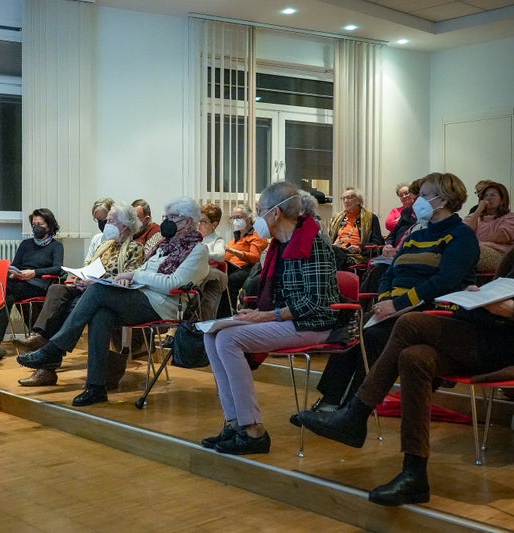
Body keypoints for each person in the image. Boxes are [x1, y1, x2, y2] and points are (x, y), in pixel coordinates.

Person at [297, 267, 514, 506]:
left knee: (409, 322)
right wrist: (476, 296)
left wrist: (510, 310)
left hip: (502, 351)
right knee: (414, 358)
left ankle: (356, 415)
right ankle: (414, 474)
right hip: (482, 338)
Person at [307, 172, 480, 415]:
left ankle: (352, 408)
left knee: (373, 337)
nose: (417, 200)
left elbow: (444, 282)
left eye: (424, 195)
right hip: (395, 307)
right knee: (350, 331)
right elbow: (390, 272)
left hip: (429, 311)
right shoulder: (416, 235)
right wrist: (384, 300)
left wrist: (397, 304)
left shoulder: (461, 236)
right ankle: (330, 400)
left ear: (443, 200)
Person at [16, 196, 210, 407]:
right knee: (101, 315)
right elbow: (145, 274)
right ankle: (96, 387)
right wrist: (127, 279)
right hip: (140, 296)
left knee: (97, 290)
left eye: (172, 217)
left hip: (162, 305)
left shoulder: (198, 250)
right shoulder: (164, 246)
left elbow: (173, 283)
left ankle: (53, 349)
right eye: (166, 217)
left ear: (188, 222)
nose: (167, 222)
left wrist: (134, 275)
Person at [202, 182, 339, 455]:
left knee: (228, 339)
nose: (257, 217)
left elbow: (314, 302)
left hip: (313, 323)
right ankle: (235, 423)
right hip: (285, 319)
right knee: (212, 333)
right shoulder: (278, 245)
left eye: (260, 210)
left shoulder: (313, 243)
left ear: (276, 213)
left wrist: (265, 316)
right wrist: (257, 314)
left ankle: (253, 430)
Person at [14, 203, 144, 387]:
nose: (105, 224)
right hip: (88, 289)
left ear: (123, 226)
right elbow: (89, 267)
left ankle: (47, 362)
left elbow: (128, 278)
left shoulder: (135, 248)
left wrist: (97, 281)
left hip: (106, 294)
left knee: (70, 307)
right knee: (57, 289)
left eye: (109, 221)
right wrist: (81, 279)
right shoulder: (105, 246)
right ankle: (42, 337)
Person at [0, 208, 64, 361]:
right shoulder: (26, 244)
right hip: (19, 283)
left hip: (39, 284)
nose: (36, 227)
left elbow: (57, 268)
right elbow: (15, 265)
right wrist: (14, 273)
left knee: (5, 290)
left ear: (49, 226)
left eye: (40, 224)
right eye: (34, 224)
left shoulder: (56, 246)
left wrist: (34, 272)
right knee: (8, 297)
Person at [224, 204, 269, 311]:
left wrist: (233, 251)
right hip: (233, 267)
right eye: (233, 217)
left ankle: (230, 311)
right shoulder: (236, 236)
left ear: (248, 218)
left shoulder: (257, 235)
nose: (236, 220)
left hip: (250, 268)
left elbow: (255, 258)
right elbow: (227, 256)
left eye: (239, 217)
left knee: (231, 280)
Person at [328, 187, 384, 270]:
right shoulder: (336, 218)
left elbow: (377, 243)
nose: (346, 201)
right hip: (336, 252)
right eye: (344, 198)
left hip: (355, 257)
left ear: (359, 200)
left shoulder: (371, 218)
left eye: (350, 197)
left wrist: (359, 248)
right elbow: (329, 239)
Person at [463, 181, 514, 273]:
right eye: (485, 195)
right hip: (474, 248)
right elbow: (464, 234)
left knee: (468, 250)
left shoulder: (510, 217)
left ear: (502, 200)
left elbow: (500, 237)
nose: (488, 198)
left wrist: (473, 241)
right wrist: (478, 211)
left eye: (493, 195)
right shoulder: (473, 217)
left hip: (499, 253)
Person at [197, 203, 229, 320]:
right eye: (198, 221)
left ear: (214, 224)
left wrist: (201, 254)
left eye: (203, 222)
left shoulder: (217, 240)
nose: (199, 225)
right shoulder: (194, 237)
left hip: (207, 275)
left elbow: (220, 256)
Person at [84, 197, 115, 264]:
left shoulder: (121, 239)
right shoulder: (96, 239)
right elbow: (87, 262)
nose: (101, 223)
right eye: (98, 220)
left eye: (104, 218)